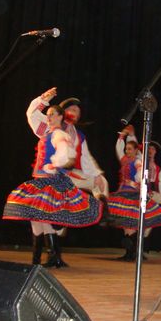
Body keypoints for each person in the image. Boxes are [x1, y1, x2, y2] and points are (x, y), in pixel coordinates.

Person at [3, 104, 102, 268]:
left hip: (51, 181)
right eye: (47, 114)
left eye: (52, 114)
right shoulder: (46, 132)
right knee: (38, 218)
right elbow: (30, 113)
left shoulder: (59, 134)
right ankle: (42, 259)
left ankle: (47, 258)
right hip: (41, 179)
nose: (48, 117)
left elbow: (66, 153)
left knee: (42, 218)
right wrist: (43, 99)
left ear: (60, 117)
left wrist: (54, 164)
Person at [25, 88, 109, 260]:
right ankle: (52, 255)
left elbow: (86, 158)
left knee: (101, 182)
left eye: (77, 111)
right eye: (71, 109)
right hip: (52, 177)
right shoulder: (48, 127)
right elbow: (31, 114)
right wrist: (43, 99)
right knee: (48, 216)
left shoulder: (78, 135)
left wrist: (96, 175)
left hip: (67, 175)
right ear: (62, 112)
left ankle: (102, 211)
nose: (74, 113)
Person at [107, 125, 161, 261]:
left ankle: (132, 253)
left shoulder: (137, 161)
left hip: (132, 194)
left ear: (135, 150)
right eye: (126, 149)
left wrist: (133, 183)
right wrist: (122, 135)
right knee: (126, 225)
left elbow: (141, 177)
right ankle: (130, 253)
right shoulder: (124, 160)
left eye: (129, 149)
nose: (127, 151)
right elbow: (118, 148)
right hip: (123, 193)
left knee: (131, 225)